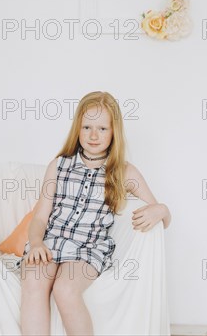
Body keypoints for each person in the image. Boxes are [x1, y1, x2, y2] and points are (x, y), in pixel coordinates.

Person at [19, 91, 172, 336]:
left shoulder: (124, 172)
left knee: (65, 289)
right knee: (33, 282)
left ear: (114, 132)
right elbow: (40, 217)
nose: (93, 135)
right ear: (77, 128)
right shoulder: (59, 165)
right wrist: (36, 243)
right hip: (51, 242)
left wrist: (162, 209)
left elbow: (162, 218)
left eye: (102, 128)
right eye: (87, 126)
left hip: (89, 249)